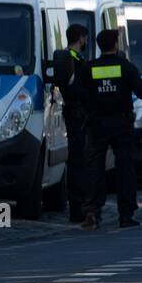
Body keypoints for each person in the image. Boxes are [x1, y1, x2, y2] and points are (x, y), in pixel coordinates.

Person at [78, 29, 142, 229]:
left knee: (94, 168)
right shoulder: (126, 67)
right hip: (122, 124)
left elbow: (79, 93)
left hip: (96, 124)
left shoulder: (89, 68)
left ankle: (92, 211)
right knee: (125, 169)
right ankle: (126, 215)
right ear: (115, 45)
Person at [60, 23, 89, 222]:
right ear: (80, 38)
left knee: (79, 161)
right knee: (78, 162)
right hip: (76, 115)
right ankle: (77, 208)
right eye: (85, 38)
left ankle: (79, 206)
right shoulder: (72, 59)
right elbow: (73, 89)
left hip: (76, 114)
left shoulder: (70, 58)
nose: (85, 41)